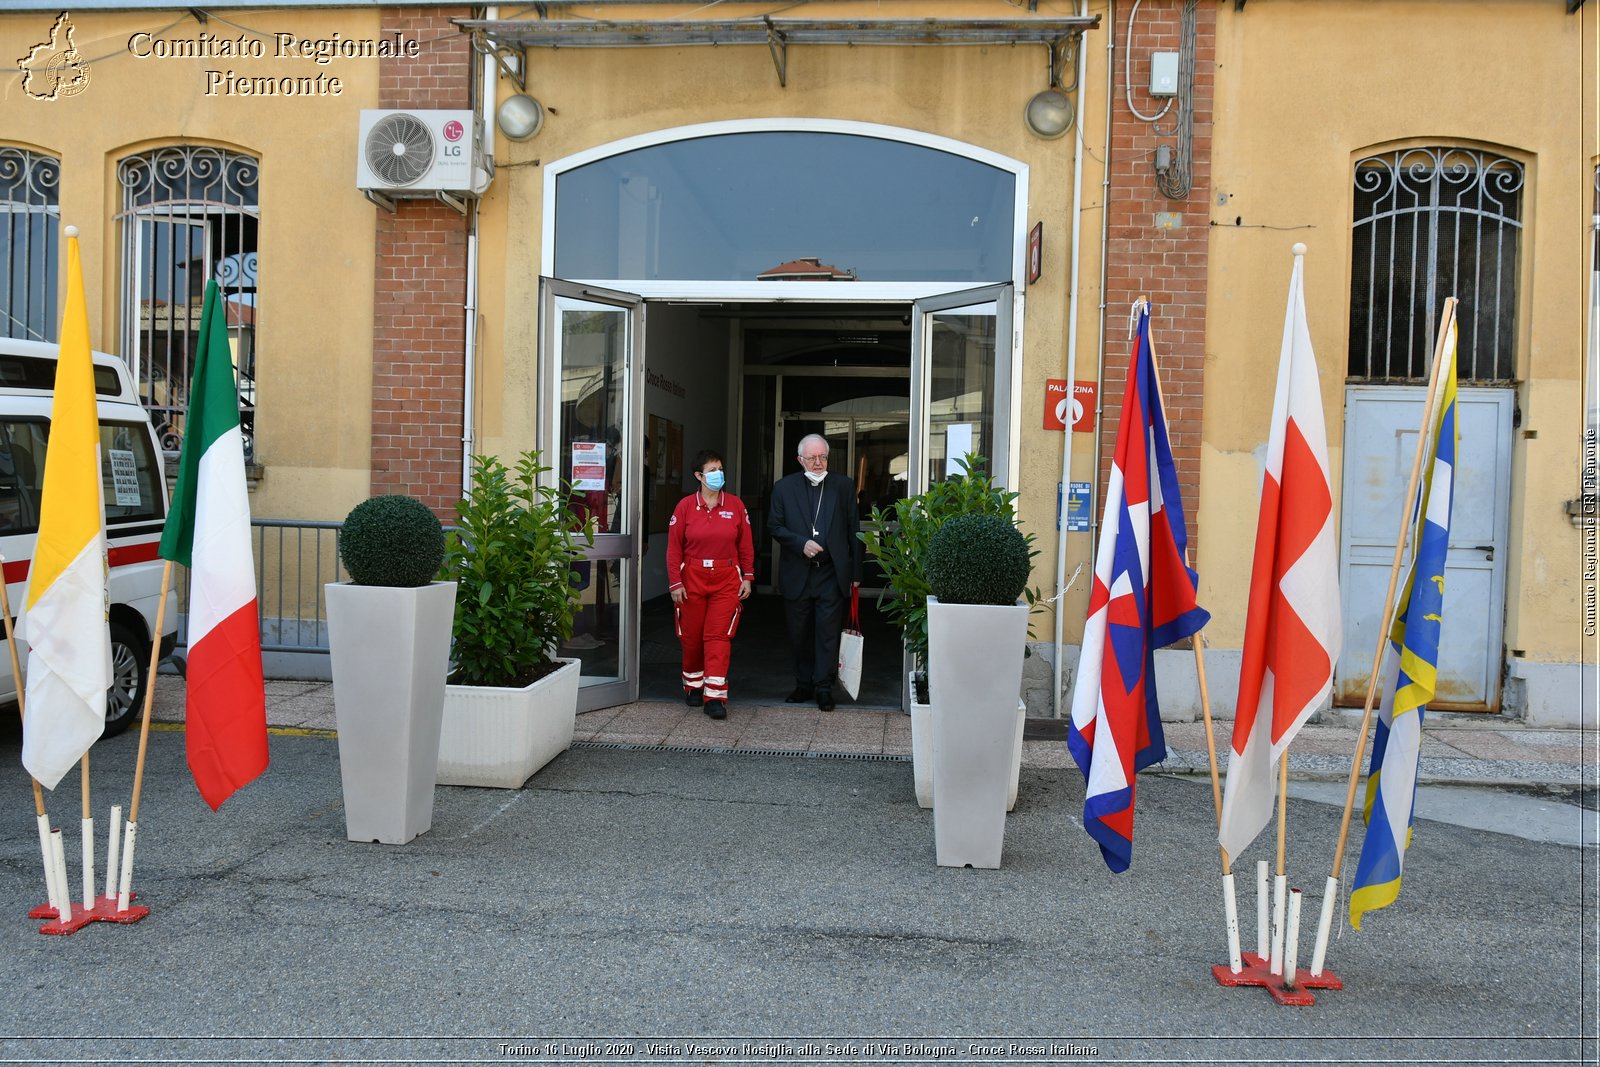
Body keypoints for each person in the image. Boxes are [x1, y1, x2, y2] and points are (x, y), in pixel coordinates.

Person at [768, 433, 861, 711]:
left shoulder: (843, 486)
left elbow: (854, 530)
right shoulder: (784, 488)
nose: (818, 462)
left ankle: (823, 686)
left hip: (831, 573)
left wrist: (856, 573)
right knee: (799, 633)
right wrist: (801, 543)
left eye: (822, 457)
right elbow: (775, 526)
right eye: (812, 458)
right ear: (800, 460)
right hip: (797, 571)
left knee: (827, 633)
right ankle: (803, 684)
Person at [666, 449, 754, 720]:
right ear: (699, 476)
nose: (718, 475)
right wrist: (675, 583)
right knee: (691, 637)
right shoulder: (684, 507)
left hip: (726, 579)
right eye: (712, 470)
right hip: (691, 578)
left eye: (720, 468)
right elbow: (673, 549)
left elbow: (746, 545)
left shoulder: (736, 506)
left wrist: (748, 577)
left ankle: (715, 696)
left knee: (718, 637)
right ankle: (693, 685)